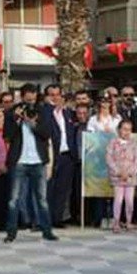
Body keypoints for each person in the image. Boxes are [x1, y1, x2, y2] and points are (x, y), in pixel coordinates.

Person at [3, 101, 58, 243]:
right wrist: (17, 119)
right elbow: (7, 135)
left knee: (42, 199)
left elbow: (46, 134)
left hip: (38, 162)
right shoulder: (13, 118)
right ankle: (11, 233)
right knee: (13, 200)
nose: (28, 113)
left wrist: (32, 122)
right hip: (19, 162)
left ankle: (47, 231)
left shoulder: (41, 117)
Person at [41, 83, 77, 229]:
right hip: (51, 155)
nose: (55, 98)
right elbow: (44, 128)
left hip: (67, 155)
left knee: (63, 189)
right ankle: (46, 219)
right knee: (49, 188)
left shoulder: (67, 113)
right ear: (47, 97)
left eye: (58, 94)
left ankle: (58, 218)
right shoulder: (44, 112)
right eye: (52, 95)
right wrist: (52, 109)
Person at [106, 120, 137, 232]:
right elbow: (109, 159)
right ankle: (116, 222)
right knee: (118, 200)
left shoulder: (134, 144)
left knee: (130, 201)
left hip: (130, 178)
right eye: (124, 129)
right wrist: (119, 172)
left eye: (129, 130)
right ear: (119, 129)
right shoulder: (113, 143)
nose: (126, 132)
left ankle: (128, 222)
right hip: (117, 177)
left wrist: (129, 173)